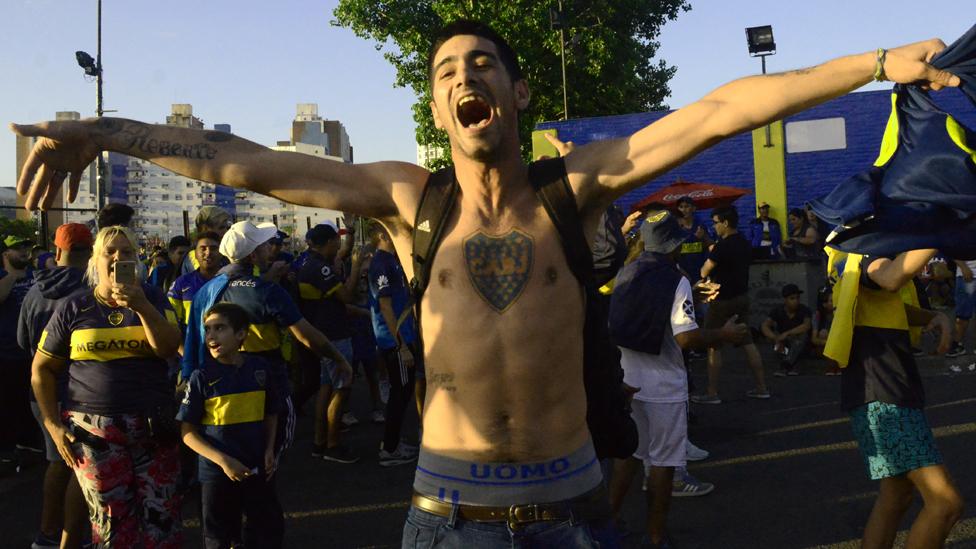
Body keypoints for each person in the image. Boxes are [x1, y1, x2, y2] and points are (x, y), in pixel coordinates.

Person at [12, 20, 961, 544]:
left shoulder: (579, 184)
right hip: (448, 518)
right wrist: (103, 129)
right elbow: (241, 161)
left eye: (482, 65)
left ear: (513, 96)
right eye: (446, 70)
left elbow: (720, 108)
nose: (463, 76)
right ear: (439, 107)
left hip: (577, 514)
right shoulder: (405, 197)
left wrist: (876, 65)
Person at [31, 225, 184, 547]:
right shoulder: (74, 306)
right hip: (94, 432)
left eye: (126, 252)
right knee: (111, 526)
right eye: (109, 252)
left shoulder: (154, 297)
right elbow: (42, 370)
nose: (118, 258)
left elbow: (169, 348)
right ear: (94, 261)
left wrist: (141, 306)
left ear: (137, 260)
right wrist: (53, 426)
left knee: (162, 520)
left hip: (153, 425)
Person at [607, 210, 745, 547]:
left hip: (628, 380)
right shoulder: (675, 278)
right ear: (674, 245)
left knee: (629, 455)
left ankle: (607, 526)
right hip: (663, 386)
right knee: (664, 463)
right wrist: (726, 335)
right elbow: (686, 339)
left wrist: (690, 296)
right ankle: (656, 537)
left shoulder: (629, 270)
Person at [182, 220, 353, 469]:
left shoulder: (207, 290)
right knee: (269, 449)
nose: (270, 250)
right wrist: (339, 359)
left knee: (226, 447)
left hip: (218, 385)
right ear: (253, 254)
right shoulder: (266, 291)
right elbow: (306, 335)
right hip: (266, 381)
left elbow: (193, 339)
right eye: (264, 245)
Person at [825, 249, 962, 547]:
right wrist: (934, 231)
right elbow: (886, 278)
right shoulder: (870, 247)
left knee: (896, 496)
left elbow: (885, 299)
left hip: (881, 387)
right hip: (884, 392)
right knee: (945, 503)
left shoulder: (852, 245)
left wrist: (933, 315)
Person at [178, 302, 284, 548]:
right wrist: (224, 462)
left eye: (220, 328)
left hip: (255, 467)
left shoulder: (260, 369)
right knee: (218, 536)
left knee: (266, 529)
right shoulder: (201, 377)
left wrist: (269, 449)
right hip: (216, 474)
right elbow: (188, 433)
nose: (212, 335)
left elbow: (271, 413)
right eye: (208, 329)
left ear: (241, 334)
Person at [17, 223, 93, 549]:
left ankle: (51, 533)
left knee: (59, 463)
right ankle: (58, 535)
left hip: (40, 391)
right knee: (74, 467)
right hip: (77, 391)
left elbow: (22, 341)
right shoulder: (91, 291)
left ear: (57, 250)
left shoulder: (34, 290)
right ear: (90, 252)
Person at [297, 224, 368, 463]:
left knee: (326, 388)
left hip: (321, 334)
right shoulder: (322, 269)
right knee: (342, 387)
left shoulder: (306, 262)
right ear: (328, 243)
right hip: (334, 335)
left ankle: (320, 441)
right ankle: (333, 444)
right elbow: (346, 296)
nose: (338, 246)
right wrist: (356, 267)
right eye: (336, 242)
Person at [693, 206, 769, 403]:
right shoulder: (743, 243)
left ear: (725, 223)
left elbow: (705, 270)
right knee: (748, 342)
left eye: (716, 222)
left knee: (713, 344)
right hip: (742, 297)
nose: (714, 226)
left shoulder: (722, 246)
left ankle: (711, 393)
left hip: (722, 300)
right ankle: (762, 388)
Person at [368, 221, 423, 466]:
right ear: (382, 234)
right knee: (400, 394)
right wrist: (400, 345)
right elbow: (385, 306)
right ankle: (389, 450)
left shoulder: (392, 259)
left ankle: (393, 443)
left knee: (404, 392)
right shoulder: (380, 262)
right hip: (395, 341)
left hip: (405, 337)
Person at [0, 234, 38, 466]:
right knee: (7, 403)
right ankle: (6, 448)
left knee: (29, 401)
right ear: (5, 254)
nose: (24, 252)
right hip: (6, 353)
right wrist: (13, 276)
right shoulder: (3, 277)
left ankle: (27, 441)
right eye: (17, 249)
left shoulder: (35, 276)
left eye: (26, 247)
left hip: (32, 352)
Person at [167, 231, 223, 331]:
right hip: (191, 344)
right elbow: (171, 322)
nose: (208, 253)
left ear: (222, 252)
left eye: (213, 248)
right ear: (195, 254)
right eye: (203, 249)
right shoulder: (181, 283)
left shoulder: (230, 281)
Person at [761, 283, 813, 376]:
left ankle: (786, 365)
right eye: (792, 298)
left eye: (797, 298)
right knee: (775, 341)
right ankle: (790, 363)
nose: (796, 301)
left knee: (802, 337)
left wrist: (787, 333)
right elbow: (765, 326)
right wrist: (775, 337)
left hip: (800, 344)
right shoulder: (777, 310)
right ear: (785, 300)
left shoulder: (804, 310)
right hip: (784, 344)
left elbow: (806, 325)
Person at [179, 206, 232, 276]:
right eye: (221, 228)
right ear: (206, 229)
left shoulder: (223, 251)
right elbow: (208, 280)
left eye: (227, 227)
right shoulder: (195, 256)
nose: (226, 231)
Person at [674, 196, 712, 284]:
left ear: (693, 208)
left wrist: (703, 237)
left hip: (700, 269)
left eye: (686, 206)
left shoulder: (700, 226)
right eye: (681, 207)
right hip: (683, 271)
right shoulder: (675, 228)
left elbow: (710, 245)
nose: (683, 210)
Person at [946, 258, 976, 357]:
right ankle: (957, 344)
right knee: (963, 315)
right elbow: (954, 250)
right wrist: (964, 267)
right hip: (969, 277)